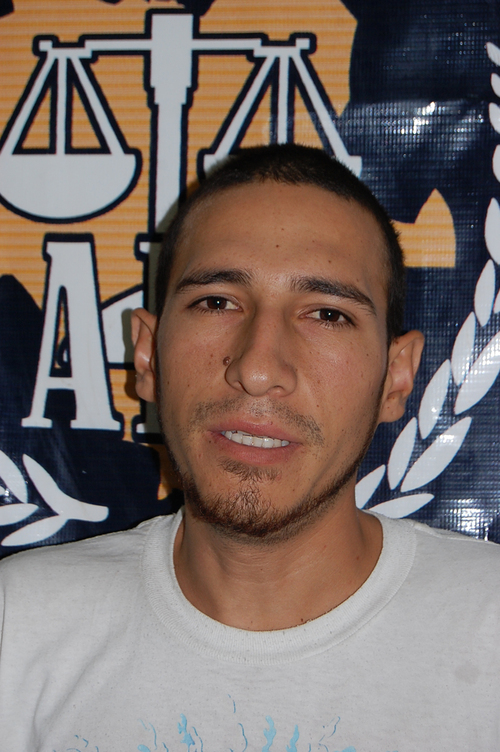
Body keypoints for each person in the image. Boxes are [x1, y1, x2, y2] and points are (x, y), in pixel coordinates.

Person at [1, 144, 499, 751]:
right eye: (216, 302)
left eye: (326, 314)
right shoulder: (17, 627)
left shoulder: (489, 627)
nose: (258, 369)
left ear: (397, 377)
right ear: (148, 356)